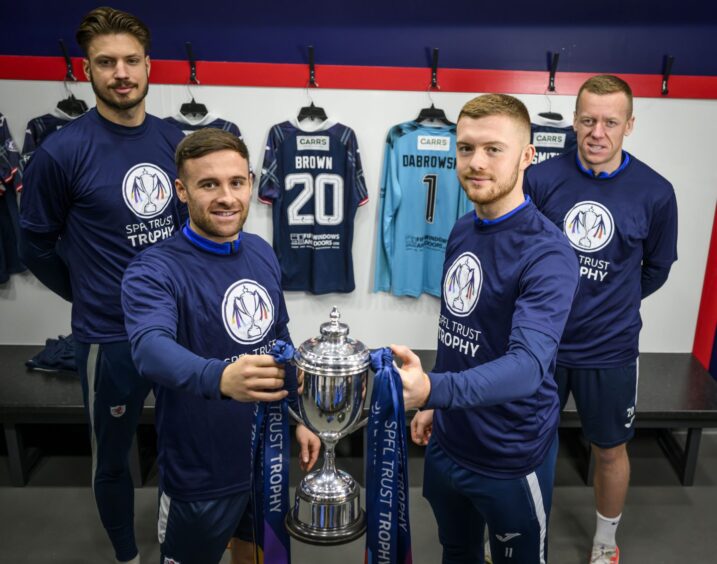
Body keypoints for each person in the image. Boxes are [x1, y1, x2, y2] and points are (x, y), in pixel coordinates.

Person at [19, 7, 185, 563]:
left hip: (181, 333)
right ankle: (126, 556)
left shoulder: (175, 141)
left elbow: (193, 236)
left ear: (148, 66)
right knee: (112, 459)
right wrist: (86, 290)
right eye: (106, 62)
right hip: (109, 339)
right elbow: (34, 245)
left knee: (185, 448)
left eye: (131, 60)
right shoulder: (61, 152)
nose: (121, 72)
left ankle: (176, 541)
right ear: (86, 71)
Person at [392, 94, 579, 564]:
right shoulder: (462, 229)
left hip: (509, 455)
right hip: (450, 440)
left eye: (494, 149)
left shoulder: (548, 253)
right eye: (465, 148)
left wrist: (434, 389)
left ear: (527, 156)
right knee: (456, 551)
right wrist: (437, 404)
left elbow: (527, 368)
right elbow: (461, 328)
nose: (475, 163)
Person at [121, 128, 321, 564]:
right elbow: (150, 348)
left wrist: (300, 416)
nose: (226, 197)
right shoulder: (154, 269)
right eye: (208, 184)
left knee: (256, 556)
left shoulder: (261, 251)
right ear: (181, 190)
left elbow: (279, 340)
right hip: (199, 472)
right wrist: (220, 377)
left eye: (235, 182)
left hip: (264, 459)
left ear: (250, 182)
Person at [524, 75, 678, 564]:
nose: (597, 132)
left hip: (609, 351)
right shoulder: (541, 179)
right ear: (573, 121)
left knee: (610, 449)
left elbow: (655, 268)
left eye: (610, 122)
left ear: (629, 125)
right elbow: (517, 254)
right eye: (588, 120)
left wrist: (612, 301)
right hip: (540, 346)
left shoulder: (656, 192)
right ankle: (523, 532)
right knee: (528, 444)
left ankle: (605, 542)